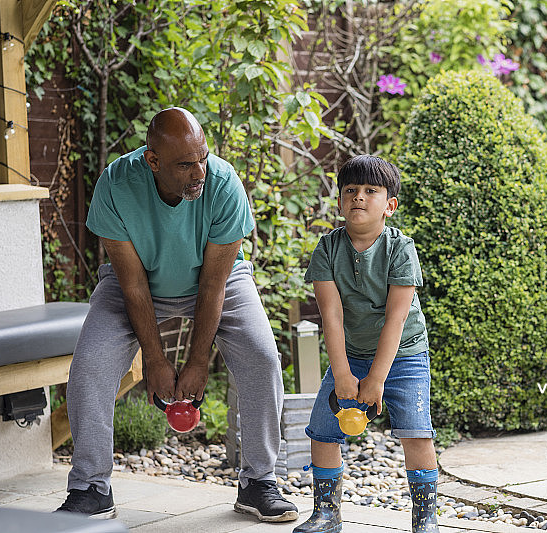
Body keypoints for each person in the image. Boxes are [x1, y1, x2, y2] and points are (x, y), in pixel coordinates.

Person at [55, 107, 298, 523]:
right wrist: (154, 356)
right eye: (185, 165)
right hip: (138, 280)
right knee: (89, 365)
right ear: (153, 161)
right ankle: (91, 487)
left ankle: (259, 482)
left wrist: (199, 359)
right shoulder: (116, 184)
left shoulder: (223, 185)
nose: (198, 172)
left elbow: (213, 285)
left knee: (262, 356)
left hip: (216, 279)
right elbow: (131, 285)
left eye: (202, 158)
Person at [295, 155, 439, 533]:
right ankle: (326, 513)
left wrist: (376, 379)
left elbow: (396, 318)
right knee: (323, 429)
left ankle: (425, 518)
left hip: (404, 355)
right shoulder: (327, 249)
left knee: (416, 430)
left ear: (389, 205)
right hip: (351, 354)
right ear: (340, 201)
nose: (359, 197)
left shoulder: (401, 248)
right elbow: (332, 316)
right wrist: (342, 373)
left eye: (371, 191)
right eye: (350, 190)